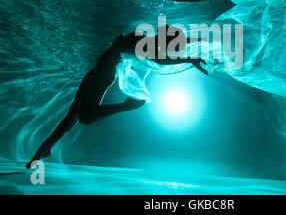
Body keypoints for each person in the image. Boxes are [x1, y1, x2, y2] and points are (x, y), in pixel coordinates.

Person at [26, 28, 207, 168]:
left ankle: (125, 106)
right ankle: (45, 148)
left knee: (84, 116)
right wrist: (190, 57)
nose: (168, 51)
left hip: (102, 73)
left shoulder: (143, 40)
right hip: (99, 71)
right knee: (75, 112)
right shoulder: (144, 42)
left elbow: (160, 57)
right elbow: (160, 59)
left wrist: (191, 54)